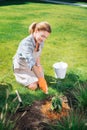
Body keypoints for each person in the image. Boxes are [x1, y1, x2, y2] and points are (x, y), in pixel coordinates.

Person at [13, 21, 51, 94]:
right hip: (22, 66)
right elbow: (31, 62)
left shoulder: (40, 41)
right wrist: (40, 79)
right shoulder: (26, 44)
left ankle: (34, 78)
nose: (44, 39)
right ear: (36, 31)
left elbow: (38, 55)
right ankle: (19, 76)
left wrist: (39, 65)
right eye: (42, 36)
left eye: (46, 37)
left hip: (33, 64)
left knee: (40, 78)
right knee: (34, 86)